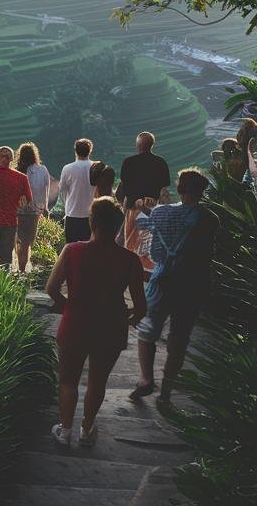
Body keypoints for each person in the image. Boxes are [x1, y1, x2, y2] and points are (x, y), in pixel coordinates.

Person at [47, 197, 147, 447]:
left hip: (75, 323)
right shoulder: (130, 260)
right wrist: (129, 318)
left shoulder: (72, 250)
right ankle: (87, 429)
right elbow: (141, 307)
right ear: (117, 225)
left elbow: (52, 289)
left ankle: (66, 430)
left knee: (68, 381)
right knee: (98, 381)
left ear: (92, 221)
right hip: (111, 327)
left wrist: (68, 308)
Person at [131, 169, 219, 404]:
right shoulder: (211, 219)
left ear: (180, 189)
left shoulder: (160, 213)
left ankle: (146, 379)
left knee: (147, 331)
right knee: (179, 339)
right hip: (192, 285)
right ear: (202, 191)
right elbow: (208, 255)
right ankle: (166, 392)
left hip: (163, 282)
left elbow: (155, 253)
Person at [118, 131, 170, 265]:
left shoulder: (128, 162)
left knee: (131, 240)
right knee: (148, 242)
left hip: (133, 206)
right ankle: (146, 268)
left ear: (138, 145)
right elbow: (164, 188)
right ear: (152, 145)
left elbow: (125, 186)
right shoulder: (160, 162)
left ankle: (130, 268)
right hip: (152, 208)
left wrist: (132, 199)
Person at [14, 142, 56, 273]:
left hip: (17, 211)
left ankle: (18, 266)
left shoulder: (15, 171)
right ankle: (22, 269)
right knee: (27, 242)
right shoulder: (42, 170)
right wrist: (45, 208)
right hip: (34, 212)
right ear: (35, 155)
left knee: (18, 240)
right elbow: (46, 190)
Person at [57, 139, 96, 244]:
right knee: (89, 248)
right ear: (90, 151)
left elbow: (62, 190)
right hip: (91, 214)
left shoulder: (67, 168)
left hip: (72, 214)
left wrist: (67, 205)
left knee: (72, 247)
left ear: (75, 151)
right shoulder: (96, 167)